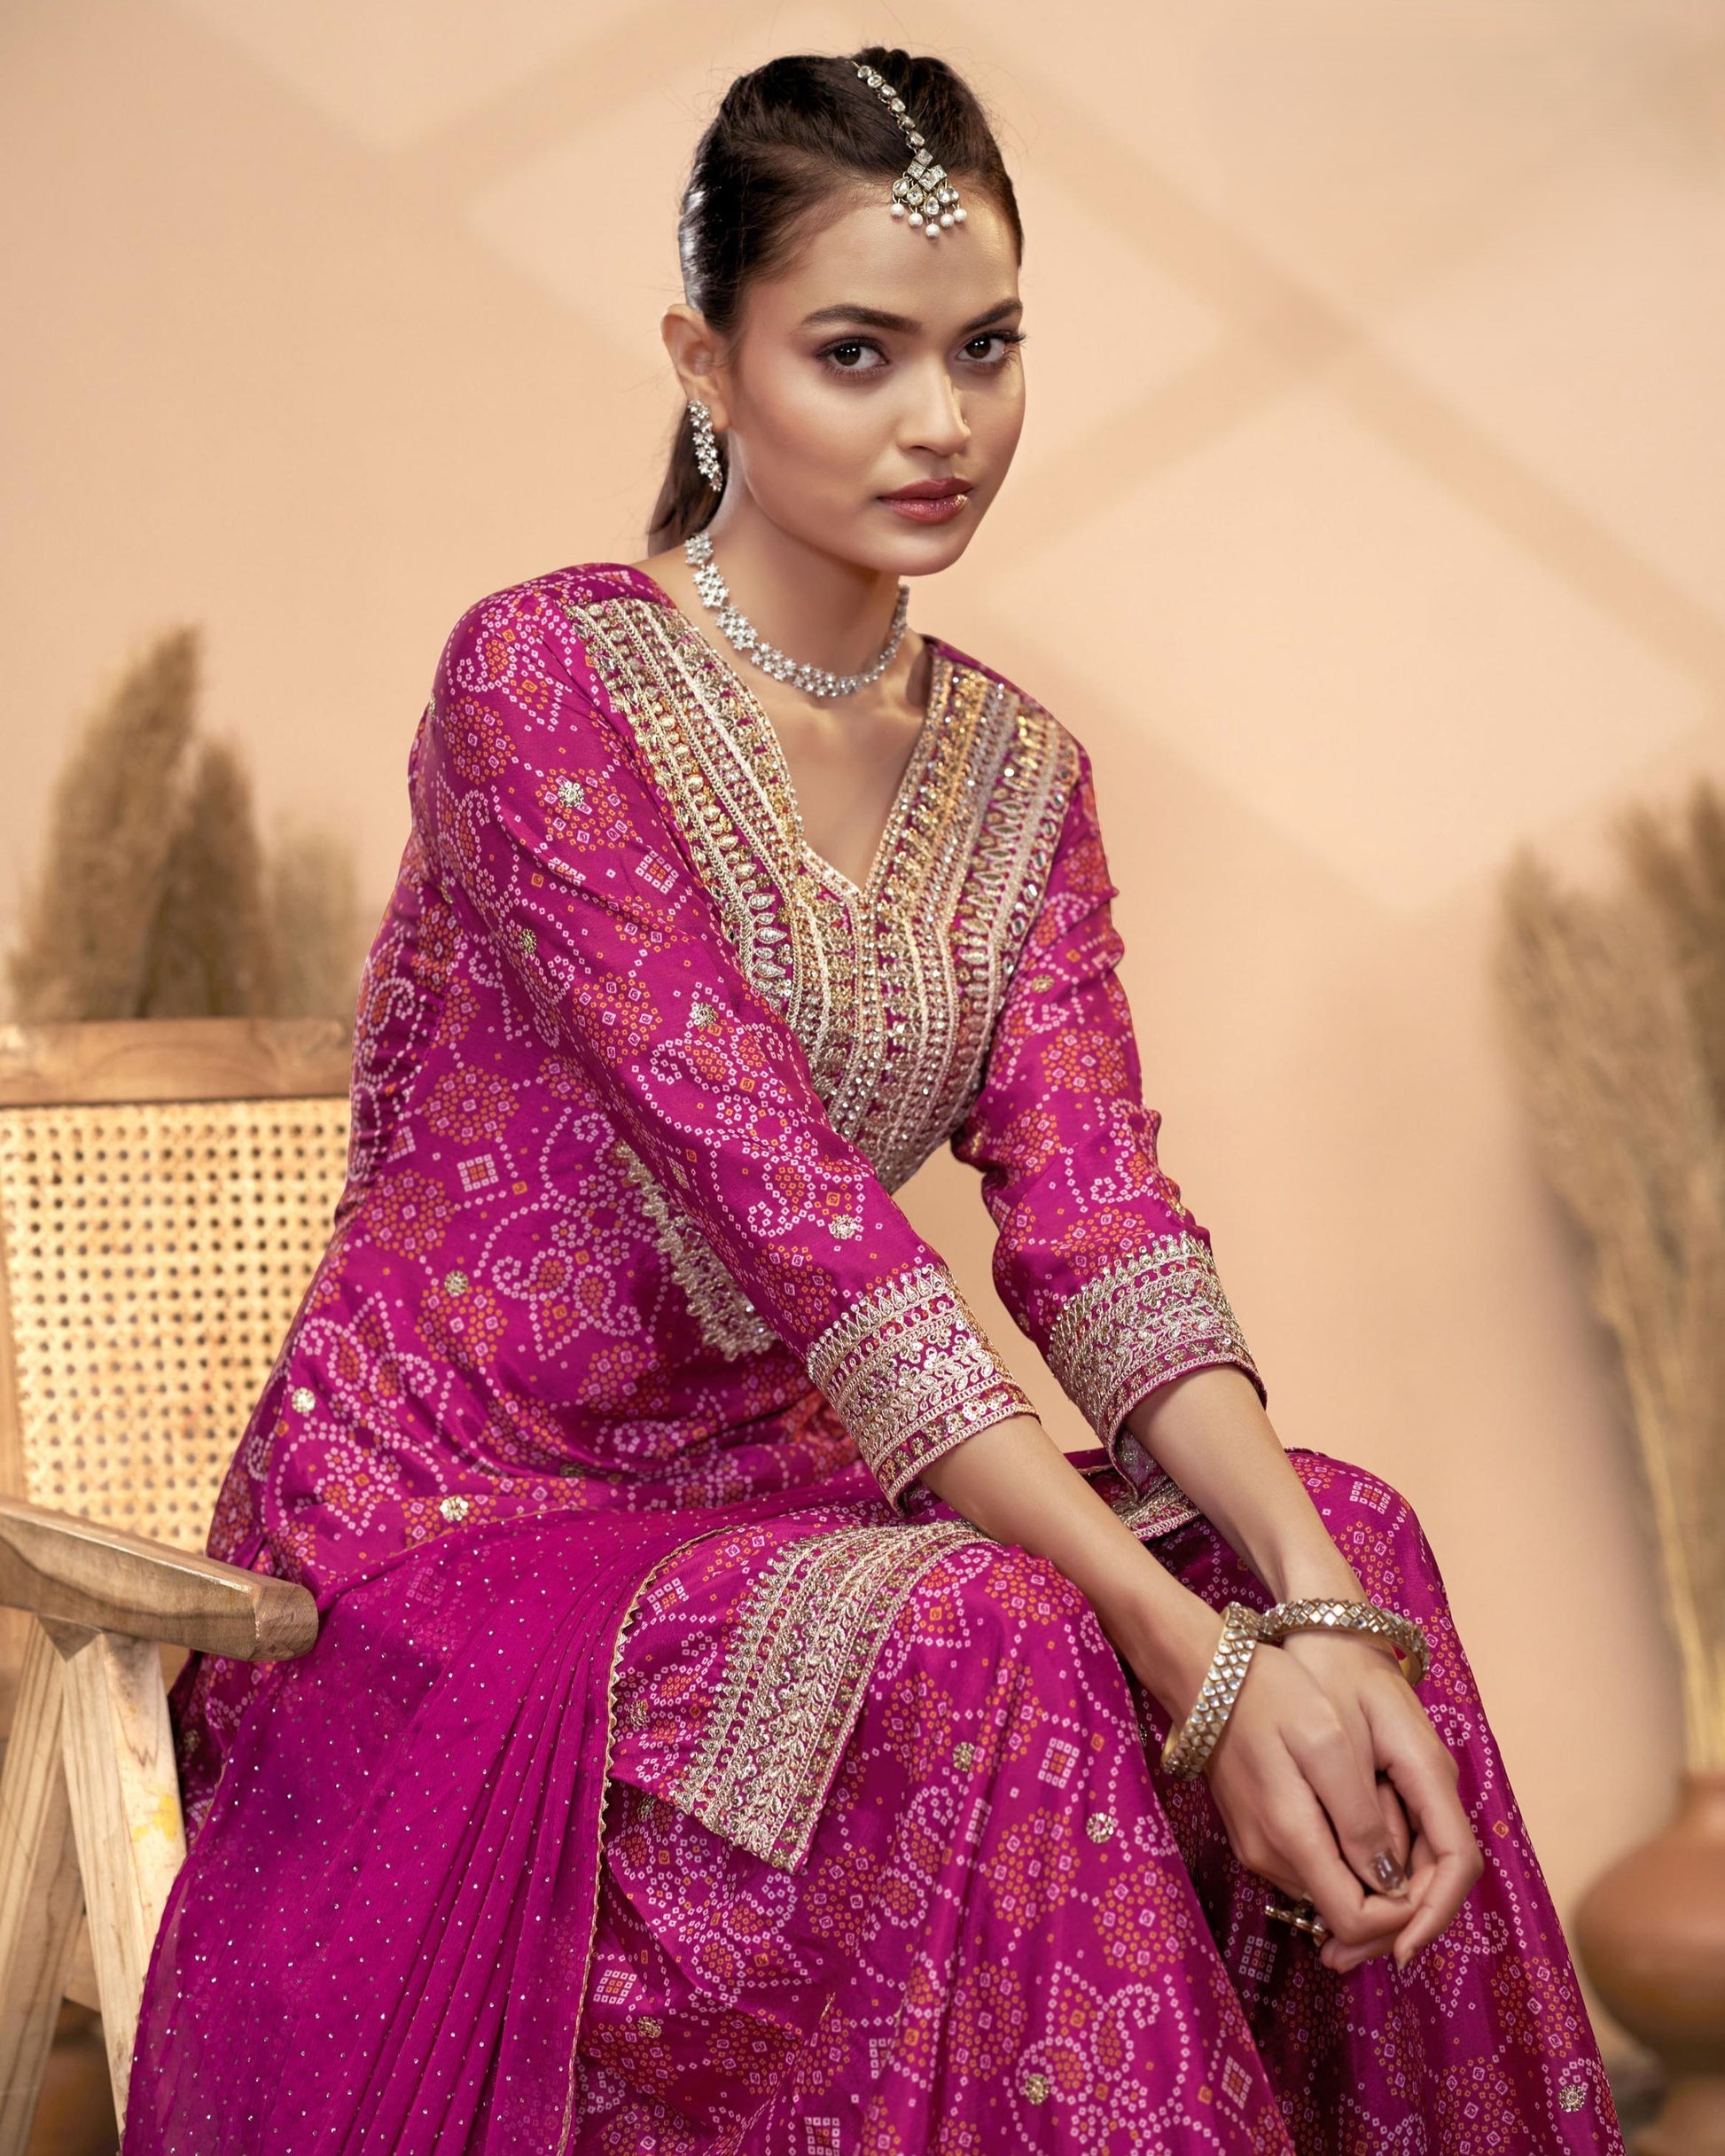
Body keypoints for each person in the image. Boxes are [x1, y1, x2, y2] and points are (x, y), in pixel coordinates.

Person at [126, 46, 1623, 2156]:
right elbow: (808, 1231)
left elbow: (1099, 1231)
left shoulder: (1021, 780)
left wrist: (1314, 1609)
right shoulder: (541, 687)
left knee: (1353, 1528)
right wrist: (1207, 1671)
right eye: (857, 353)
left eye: (986, 350)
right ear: (704, 363)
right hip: (465, 1550)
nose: (942, 421)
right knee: (1009, 1628)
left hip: (818, 1507)